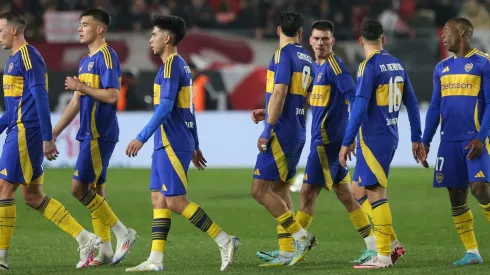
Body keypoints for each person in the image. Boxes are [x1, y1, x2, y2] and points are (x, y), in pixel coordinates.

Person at [256, 19, 377, 265]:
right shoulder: (317, 66)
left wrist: (350, 137)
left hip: (327, 143)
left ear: (332, 41)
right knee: (344, 195)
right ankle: (374, 245)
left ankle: (294, 245)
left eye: (325, 39)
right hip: (323, 142)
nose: (320, 43)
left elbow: (355, 98)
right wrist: (267, 113)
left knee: (307, 194)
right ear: (309, 40)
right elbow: (315, 100)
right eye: (317, 38)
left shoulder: (334, 66)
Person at [125, 15, 240, 272]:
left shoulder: (170, 67)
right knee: (158, 198)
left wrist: (140, 137)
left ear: (167, 38)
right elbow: (188, 110)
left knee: (176, 201)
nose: (150, 39)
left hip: (171, 141)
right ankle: (155, 260)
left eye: (154, 34)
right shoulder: (181, 66)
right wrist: (196, 143)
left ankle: (224, 240)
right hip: (169, 141)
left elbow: (166, 107)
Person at [0, 11, 101, 270]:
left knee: (3, 189)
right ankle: (85, 238)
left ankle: (1, 257)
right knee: (33, 198)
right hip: (19, 128)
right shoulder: (13, 60)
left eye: (1, 31)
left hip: (27, 132)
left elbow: (41, 98)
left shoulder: (28, 57)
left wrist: (47, 137)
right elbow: (13, 110)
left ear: (13, 31)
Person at [339, 20, 426, 269]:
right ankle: (393, 242)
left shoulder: (368, 66)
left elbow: (359, 107)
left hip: (374, 137)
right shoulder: (396, 63)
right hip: (389, 133)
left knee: (376, 194)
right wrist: (416, 137)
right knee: (357, 192)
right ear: (383, 38)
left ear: (360, 40)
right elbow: (410, 100)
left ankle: (384, 256)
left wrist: (347, 141)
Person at [53, 8, 137, 266]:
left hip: (100, 133)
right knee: (96, 190)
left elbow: (112, 96)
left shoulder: (107, 57)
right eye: (79, 24)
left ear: (99, 29)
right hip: (89, 133)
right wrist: (53, 133)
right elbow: (76, 102)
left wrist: (80, 86)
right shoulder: (84, 61)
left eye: (85, 24)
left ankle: (124, 232)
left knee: (78, 189)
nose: (80, 29)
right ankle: (106, 252)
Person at [250, 12, 316, 267]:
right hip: (298, 129)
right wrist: (267, 111)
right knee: (279, 189)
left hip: (281, 132)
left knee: (259, 190)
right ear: (301, 33)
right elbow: (303, 98)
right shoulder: (306, 58)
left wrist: (268, 127)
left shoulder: (282, 55)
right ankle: (287, 251)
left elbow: (280, 91)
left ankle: (301, 237)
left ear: (278, 30)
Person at [422, 17, 490, 266]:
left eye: (446, 31)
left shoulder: (483, 63)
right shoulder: (441, 67)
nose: (442, 36)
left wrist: (482, 136)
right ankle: (472, 252)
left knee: (480, 189)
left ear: (462, 32)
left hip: (475, 139)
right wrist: (425, 140)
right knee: (456, 195)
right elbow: (435, 106)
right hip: (448, 142)